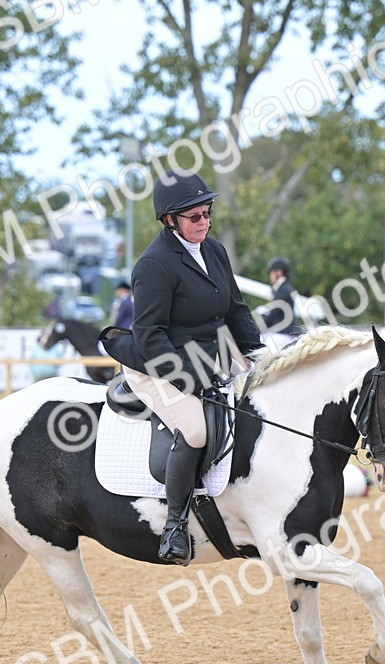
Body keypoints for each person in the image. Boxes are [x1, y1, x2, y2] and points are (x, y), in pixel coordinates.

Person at [101, 170, 263, 566]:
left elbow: (236, 311)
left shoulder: (215, 251)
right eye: (194, 217)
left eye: (207, 213)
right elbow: (150, 334)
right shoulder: (154, 264)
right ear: (170, 220)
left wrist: (259, 355)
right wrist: (190, 378)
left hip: (209, 358)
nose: (204, 222)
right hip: (157, 362)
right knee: (194, 429)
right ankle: (174, 525)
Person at [259, 256, 303, 336]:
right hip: (284, 332)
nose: (270, 276)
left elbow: (273, 314)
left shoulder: (283, 291)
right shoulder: (284, 288)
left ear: (279, 272)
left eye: (271, 272)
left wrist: (257, 329)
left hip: (283, 333)